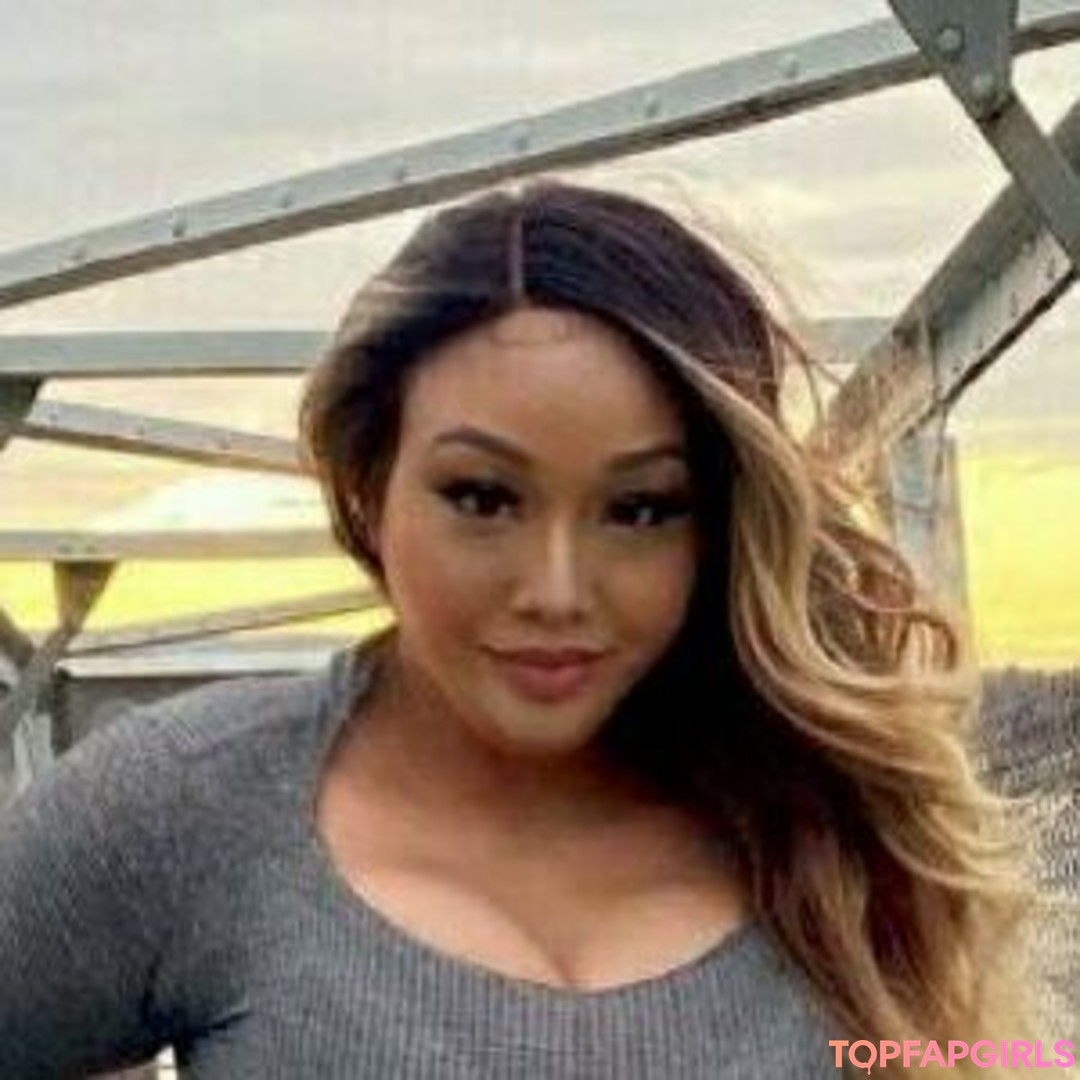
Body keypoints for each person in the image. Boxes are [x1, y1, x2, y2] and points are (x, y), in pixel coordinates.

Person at [0, 176, 1043, 1078]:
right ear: (368, 485)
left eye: (640, 509)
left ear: (718, 523)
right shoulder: (191, 808)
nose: (557, 590)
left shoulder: (832, 830)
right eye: (483, 497)